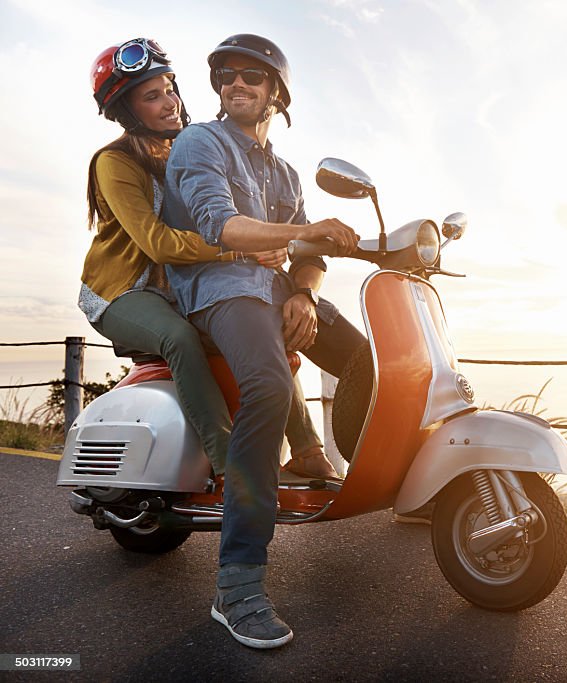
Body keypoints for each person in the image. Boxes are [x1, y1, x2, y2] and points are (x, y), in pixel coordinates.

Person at [162, 34, 367, 649]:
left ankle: (384, 477)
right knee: (270, 386)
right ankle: (238, 581)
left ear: (277, 91)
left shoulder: (284, 171)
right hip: (218, 290)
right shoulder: (202, 142)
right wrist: (304, 232)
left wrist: (304, 292)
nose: (236, 84)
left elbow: (307, 258)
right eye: (227, 76)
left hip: (275, 289)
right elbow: (222, 225)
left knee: (369, 362)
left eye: (252, 76)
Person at [82, 38, 339, 480]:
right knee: (179, 339)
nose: (170, 103)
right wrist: (241, 247)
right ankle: (227, 466)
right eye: (152, 97)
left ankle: (309, 451)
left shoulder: (193, 144)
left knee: (266, 320)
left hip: (179, 284)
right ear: (127, 111)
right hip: (125, 291)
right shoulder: (114, 162)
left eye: (169, 88)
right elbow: (157, 243)